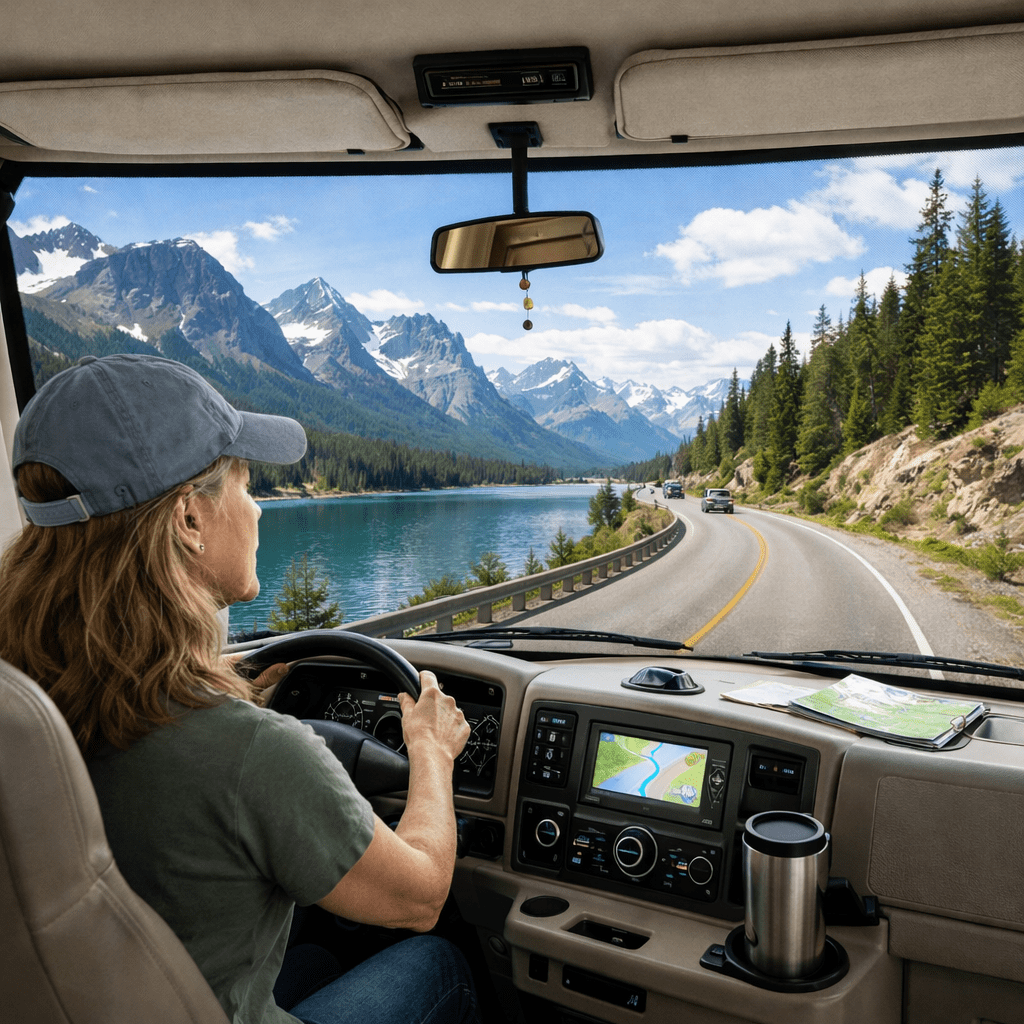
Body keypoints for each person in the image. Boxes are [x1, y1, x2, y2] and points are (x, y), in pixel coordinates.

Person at [0, 353, 478, 1024]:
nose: (259, 510)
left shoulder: (21, 699)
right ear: (189, 520)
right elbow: (421, 895)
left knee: (322, 960)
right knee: (438, 964)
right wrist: (431, 753)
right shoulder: (250, 752)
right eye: (249, 485)